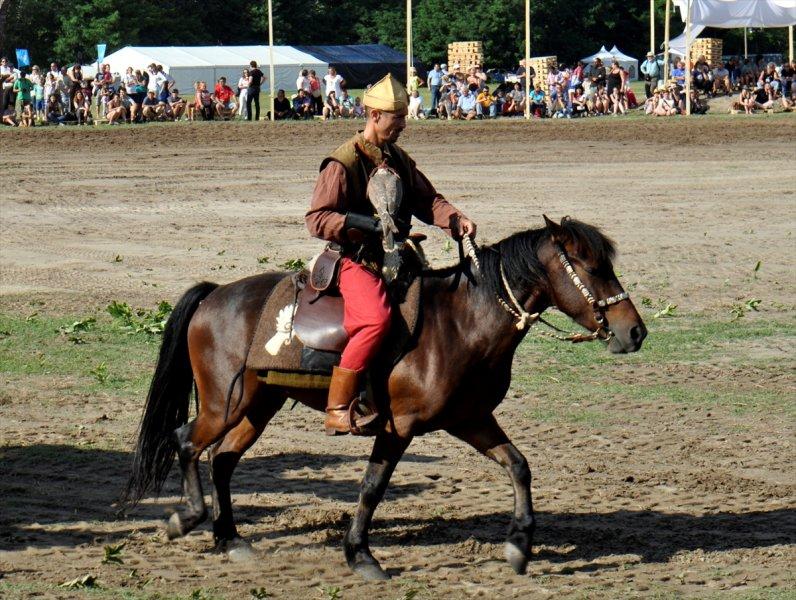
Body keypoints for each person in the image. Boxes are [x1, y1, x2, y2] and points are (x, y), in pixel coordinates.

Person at [305, 72, 476, 435]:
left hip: (399, 256)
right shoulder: (342, 162)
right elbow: (317, 219)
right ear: (375, 116)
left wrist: (455, 219)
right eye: (397, 119)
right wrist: (363, 225)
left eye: (403, 118)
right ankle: (338, 407)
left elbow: (427, 200)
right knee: (376, 320)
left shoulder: (397, 157)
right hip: (355, 260)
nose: (403, 125)